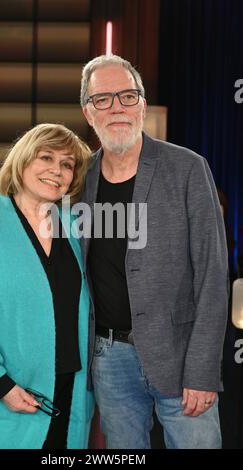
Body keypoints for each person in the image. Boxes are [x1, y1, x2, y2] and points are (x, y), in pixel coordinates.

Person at [80, 54, 229, 449]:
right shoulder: (81, 179)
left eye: (128, 96)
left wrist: (202, 371)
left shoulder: (188, 169)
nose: (117, 108)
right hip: (109, 360)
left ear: (143, 106)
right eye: (103, 99)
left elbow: (214, 278)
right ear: (88, 112)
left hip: (181, 357)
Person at [0, 123, 94, 449]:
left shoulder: (73, 225)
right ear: (23, 160)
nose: (57, 170)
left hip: (72, 390)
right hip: (11, 391)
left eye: (67, 164)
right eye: (46, 158)